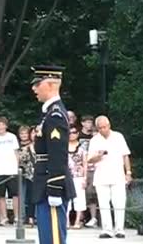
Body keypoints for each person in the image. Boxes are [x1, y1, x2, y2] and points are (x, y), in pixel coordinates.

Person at [30, 65, 76, 244]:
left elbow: (58, 154)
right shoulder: (49, 113)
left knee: (53, 239)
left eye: (37, 84)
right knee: (47, 238)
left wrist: (55, 188)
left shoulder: (55, 115)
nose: (34, 88)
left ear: (50, 84)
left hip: (50, 183)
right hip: (44, 182)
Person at [88, 116, 132, 238]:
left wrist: (128, 172)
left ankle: (119, 229)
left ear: (109, 125)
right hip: (101, 175)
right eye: (100, 128)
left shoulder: (118, 136)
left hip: (118, 175)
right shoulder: (94, 140)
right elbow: (90, 160)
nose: (103, 129)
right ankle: (107, 229)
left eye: (105, 126)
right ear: (97, 128)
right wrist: (98, 156)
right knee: (103, 204)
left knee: (119, 203)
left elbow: (125, 155)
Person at [0, 117, 20, 226]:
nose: (1, 127)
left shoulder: (12, 137)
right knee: (0, 196)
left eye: (3, 125)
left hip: (12, 170)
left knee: (15, 195)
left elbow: (16, 152)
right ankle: (4, 218)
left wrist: (17, 166)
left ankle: (16, 217)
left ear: (6, 126)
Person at [67, 125, 87, 229]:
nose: (71, 134)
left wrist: (85, 177)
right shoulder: (63, 146)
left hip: (79, 176)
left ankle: (77, 221)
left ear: (78, 134)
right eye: (69, 132)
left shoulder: (82, 147)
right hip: (67, 176)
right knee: (66, 199)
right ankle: (66, 221)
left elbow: (85, 162)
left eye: (74, 132)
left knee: (79, 199)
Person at [18, 125, 36, 226]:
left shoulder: (46, 146)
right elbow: (20, 161)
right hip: (29, 175)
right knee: (30, 197)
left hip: (42, 175)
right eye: (32, 133)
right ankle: (30, 217)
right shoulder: (26, 148)